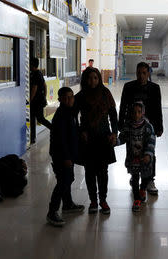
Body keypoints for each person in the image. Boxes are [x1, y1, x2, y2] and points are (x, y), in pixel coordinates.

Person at [74, 67, 118, 215]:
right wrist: (80, 131)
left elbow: (113, 115)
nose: (92, 81)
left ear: (99, 79)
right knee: (89, 171)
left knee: (103, 171)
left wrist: (114, 133)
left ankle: (103, 200)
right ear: (85, 80)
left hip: (104, 137)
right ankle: (93, 200)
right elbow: (74, 117)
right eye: (89, 78)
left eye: (95, 78)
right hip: (87, 139)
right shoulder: (80, 96)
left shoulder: (105, 94)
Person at [119, 62, 163, 196]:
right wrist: (120, 125)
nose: (141, 76)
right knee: (133, 152)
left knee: (149, 153)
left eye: (144, 73)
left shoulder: (154, 88)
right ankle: (134, 176)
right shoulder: (129, 87)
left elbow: (157, 108)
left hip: (148, 128)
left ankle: (150, 180)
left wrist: (159, 126)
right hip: (132, 127)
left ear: (148, 73)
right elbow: (123, 107)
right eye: (139, 73)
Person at [47, 87, 85, 227]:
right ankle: (52, 211)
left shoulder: (70, 112)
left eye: (71, 97)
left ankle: (68, 204)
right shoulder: (61, 115)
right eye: (66, 97)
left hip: (68, 154)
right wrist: (66, 157)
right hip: (61, 155)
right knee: (63, 181)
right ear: (60, 100)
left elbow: (73, 131)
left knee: (68, 179)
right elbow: (61, 140)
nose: (69, 100)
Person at [118, 102, 156, 212]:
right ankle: (137, 199)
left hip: (145, 158)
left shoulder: (148, 127)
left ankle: (143, 189)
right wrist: (116, 141)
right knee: (134, 179)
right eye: (134, 112)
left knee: (146, 177)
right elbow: (123, 137)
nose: (136, 115)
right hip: (133, 158)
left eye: (139, 112)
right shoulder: (128, 126)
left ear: (143, 112)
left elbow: (151, 141)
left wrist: (148, 154)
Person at [30, 57, 51, 144]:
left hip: (36, 101)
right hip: (40, 100)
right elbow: (45, 85)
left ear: (32, 65)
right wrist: (44, 96)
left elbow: (34, 88)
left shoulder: (35, 74)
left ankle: (53, 128)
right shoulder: (39, 73)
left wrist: (30, 100)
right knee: (36, 118)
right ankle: (33, 138)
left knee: (39, 118)